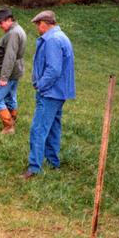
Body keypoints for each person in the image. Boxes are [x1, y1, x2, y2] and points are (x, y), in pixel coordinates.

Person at [21, 10, 76, 179]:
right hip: (59, 93)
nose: (38, 28)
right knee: (53, 128)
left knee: (38, 129)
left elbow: (53, 70)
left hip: (50, 92)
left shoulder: (52, 40)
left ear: (45, 23)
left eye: (38, 24)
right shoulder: (61, 36)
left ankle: (34, 168)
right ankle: (53, 162)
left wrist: (40, 85)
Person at [0, 8, 27, 134]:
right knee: (10, 97)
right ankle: (12, 120)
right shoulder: (17, 30)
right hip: (16, 70)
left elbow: (10, 56)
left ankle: (9, 126)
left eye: (1, 23)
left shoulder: (13, 34)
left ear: (9, 20)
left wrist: (4, 77)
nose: (0, 25)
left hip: (9, 72)